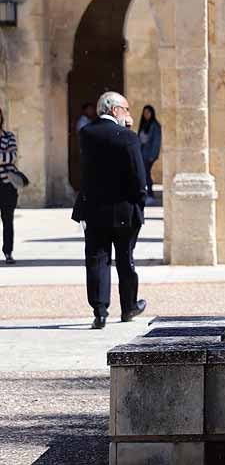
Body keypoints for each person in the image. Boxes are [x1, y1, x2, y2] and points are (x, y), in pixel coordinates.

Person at [72, 91, 147, 330]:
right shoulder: (127, 137)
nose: (128, 114)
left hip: (94, 210)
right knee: (125, 260)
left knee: (97, 260)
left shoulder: (86, 134)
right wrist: (140, 202)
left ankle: (100, 310)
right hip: (124, 210)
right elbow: (138, 176)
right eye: (125, 109)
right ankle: (129, 307)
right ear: (115, 110)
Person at [0, 109, 18, 264]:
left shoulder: (9, 136)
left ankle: (8, 252)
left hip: (7, 186)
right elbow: (6, 157)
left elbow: (12, 156)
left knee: (7, 220)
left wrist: (4, 157)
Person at [137, 105, 161, 203]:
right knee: (144, 174)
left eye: (148, 112)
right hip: (142, 153)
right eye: (145, 112)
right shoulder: (144, 124)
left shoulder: (155, 125)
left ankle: (150, 194)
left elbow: (156, 141)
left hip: (149, 154)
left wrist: (153, 155)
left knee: (146, 174)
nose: (146, 115)